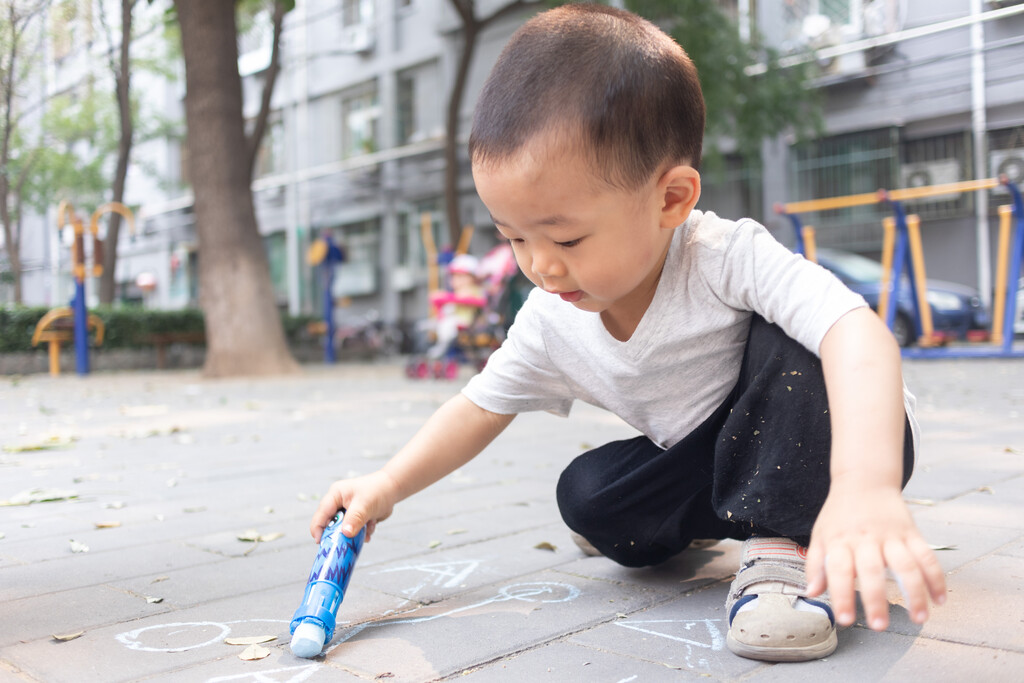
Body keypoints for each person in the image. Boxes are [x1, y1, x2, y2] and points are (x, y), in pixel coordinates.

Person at [311, 3, 946, 663]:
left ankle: (786, 546)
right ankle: (736, 514)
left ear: (671, 199)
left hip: (835, 433)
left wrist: (864, 482)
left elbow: (856, 331)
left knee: (793, 334)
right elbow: (478, 405)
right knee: (587, 496)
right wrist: (385, 484)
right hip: (716, 456)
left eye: (566, 237)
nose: (539, 264)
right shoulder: (552, 312)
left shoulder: (724, 257)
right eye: (514, 236)